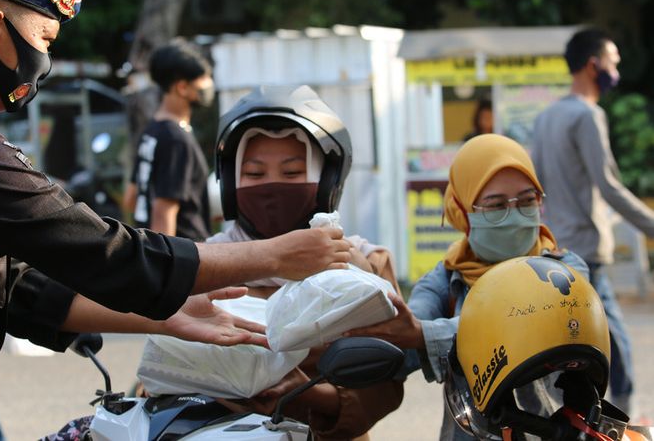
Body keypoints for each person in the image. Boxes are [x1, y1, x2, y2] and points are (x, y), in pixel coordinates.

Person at [0, 0, 350, 439]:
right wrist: (273, 256)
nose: (44, 61)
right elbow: (99, 249)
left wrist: (166, 315)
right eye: (44, 39)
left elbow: (16, 288)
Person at [138, 85, 404, 441]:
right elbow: (159, 370)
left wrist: (308, 392)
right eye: (255, 174)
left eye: (293, 173)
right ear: (231, 183)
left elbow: (384, 384)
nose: (273, 186)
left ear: (327, 182)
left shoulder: (363, 270)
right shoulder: (203, 265)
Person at [345, 134, 591, 440]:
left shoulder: (566, 271)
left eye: (528, 200)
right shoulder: (445, 279)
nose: (514, 215)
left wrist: (425, 335)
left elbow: (524, 325)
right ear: (462, 210)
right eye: (496, 204)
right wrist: (360, 284)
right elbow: (405, 332)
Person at [531, 28, 654, 414]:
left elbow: (545, 188)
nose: (616, 69)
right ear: (593, 64)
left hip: (557, 250)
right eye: (614, 61)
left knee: (567, 343)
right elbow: (610, 186)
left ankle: (579, 419)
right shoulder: (588, 115)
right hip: (588, 251)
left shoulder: (546, 117)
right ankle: (624, 420)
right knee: (616, 342)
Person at [122, 40, 214, 240]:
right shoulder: (177, 140)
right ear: (182, 87)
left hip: (148, 245)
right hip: (185, 256)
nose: (208, 84)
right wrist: (166, 267)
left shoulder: (152, 131)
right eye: (204, 78)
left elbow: (131, 199)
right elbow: (164, 213)